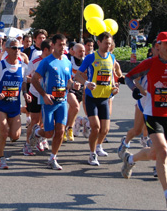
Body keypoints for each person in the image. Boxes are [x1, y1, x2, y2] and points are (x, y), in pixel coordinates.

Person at [122, 31, 167, 208]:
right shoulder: (149, 63)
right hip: (152, 113)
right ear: (158, 46)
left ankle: (130, 160)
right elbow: (128, 77)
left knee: (156, 153)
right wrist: (135, 90)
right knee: (164, 151)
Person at [30, 34, 78, 170]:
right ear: (53, 46)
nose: (63, 47)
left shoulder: (67, 62)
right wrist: (44, 95)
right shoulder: (46, 62)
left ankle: (53, 157)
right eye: (60, 44)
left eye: (65, 44)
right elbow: (34, 79)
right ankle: (37, 132)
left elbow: (68, 81)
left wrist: (73, 85)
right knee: (49, 133)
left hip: (62, 101)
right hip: (49, 103)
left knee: (60, 130)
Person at [75, 32, 119, 166]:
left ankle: (99, 146)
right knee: (95, 127)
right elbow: (77, 75)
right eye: (106, 43)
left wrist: (114, 87)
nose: (108, 46)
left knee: (105, 129)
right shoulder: (90, 58)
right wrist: (86, 83)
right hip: (92, 97)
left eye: (110, 43)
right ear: (99, 43)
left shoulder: (112, 57)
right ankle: (92, 154)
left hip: (105, 97)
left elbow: (111, 77)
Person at [0, 37, 26, 169]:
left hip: (14, 106)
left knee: (15, 135)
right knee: (4, 132)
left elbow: (24, 83)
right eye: (14, 48)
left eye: (19, 48)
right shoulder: (0, 66)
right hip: (1, 105)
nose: (17, 51)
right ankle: (0, 158)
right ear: (7, 49)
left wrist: (26, 94)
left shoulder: (22, 66)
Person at [23, 40, 52, 155]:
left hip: (48, 95)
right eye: (52, 49)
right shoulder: (35, 61)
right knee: (35, 120)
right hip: (35, 93)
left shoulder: (54, 61)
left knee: (44, 120)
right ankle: (27, 145)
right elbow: (25, 77)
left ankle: (40, 138)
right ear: (46, 50)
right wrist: (35, 80)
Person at [64, 43, 86, 142]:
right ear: (74, 51)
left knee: (74, 110)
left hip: (80, 88)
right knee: (75, 106)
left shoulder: (86, 61)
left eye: (83, 51)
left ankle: (68, 128)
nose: (82, 53)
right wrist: (71, 83)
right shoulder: (69, 61)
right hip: (70, 87)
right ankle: (67, 128)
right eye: (80, 51)